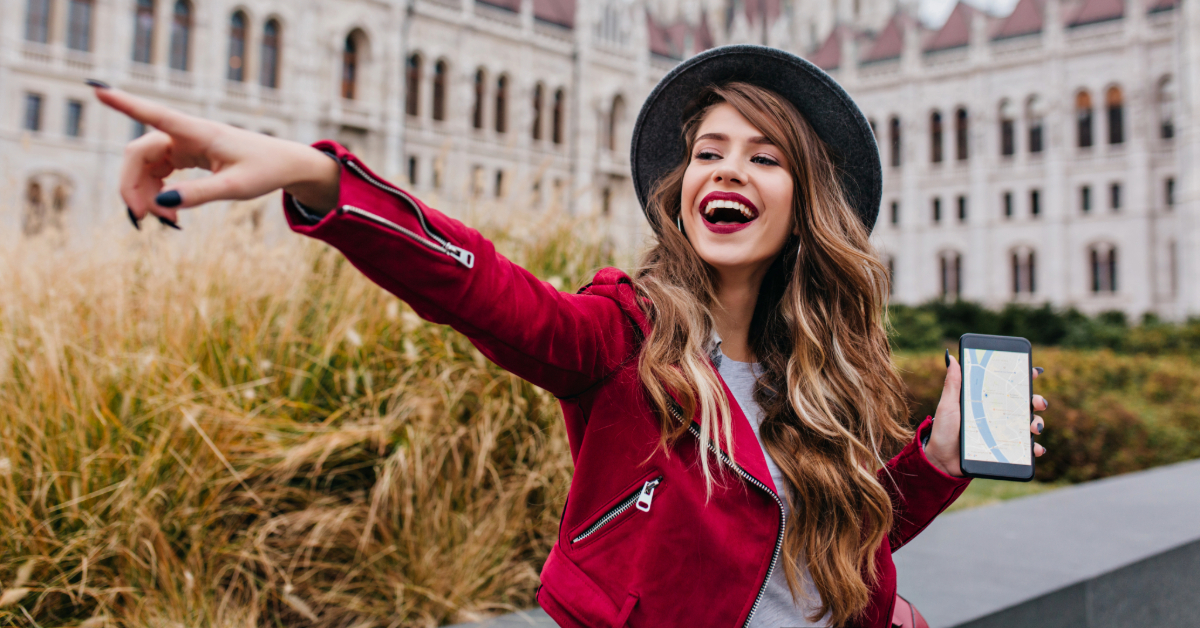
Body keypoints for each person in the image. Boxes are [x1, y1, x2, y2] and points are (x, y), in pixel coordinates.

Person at [93, 45, 1049, 628]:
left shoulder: (816, 373)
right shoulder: (619, 338)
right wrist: (321, 179)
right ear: (680, 190)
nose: (727, 169)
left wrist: (937, 459)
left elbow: (814, 549)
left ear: (805, 206)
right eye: (707, 152)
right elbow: (491, 295)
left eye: (764, 157)